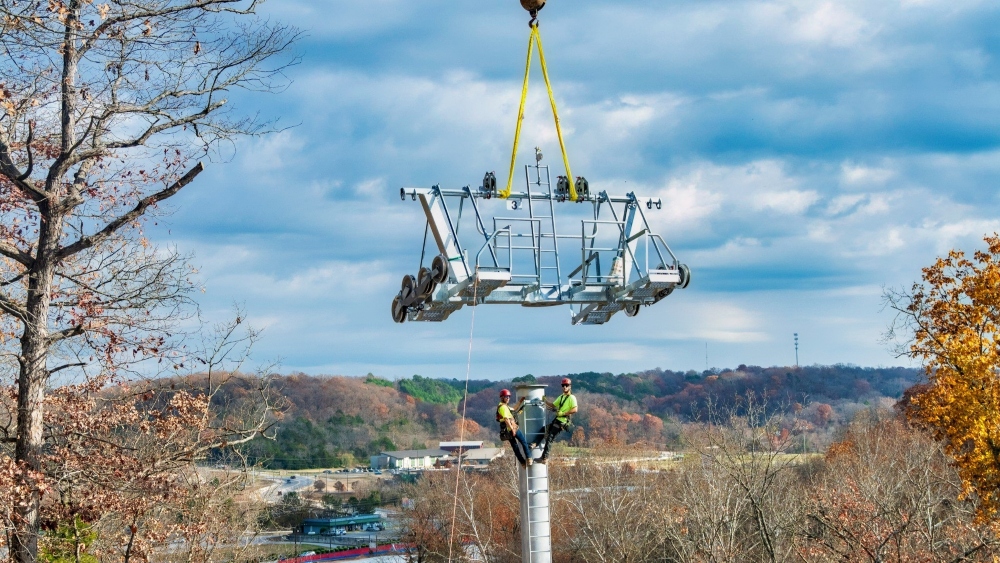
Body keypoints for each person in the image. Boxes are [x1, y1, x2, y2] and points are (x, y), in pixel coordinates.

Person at [531, 378, 578, 464]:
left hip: (562, 422)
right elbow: (553, 405)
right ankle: (534, 444)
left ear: (570, 386)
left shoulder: (572, 398)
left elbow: (575, 409)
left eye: (566, 385)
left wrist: (563, 413)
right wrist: (545, 401)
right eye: (563, 385)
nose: (564, 387)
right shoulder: (561, 397)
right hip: (557, 420)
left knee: (550, 438)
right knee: (544, 429)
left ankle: (544, 458)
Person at [496, 389, 531, 467]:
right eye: (506, 397)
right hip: (512, 428)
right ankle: (529, 458)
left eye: (509, 397)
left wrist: (520, 401)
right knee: (523, 442)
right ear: (502, 397)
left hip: (507, 431)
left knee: (515, 447)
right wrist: (513, 429)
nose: (508, 398)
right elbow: (506, 419)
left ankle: (522, 463)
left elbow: (514, 409)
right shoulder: (503, 407)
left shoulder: (504, 406)